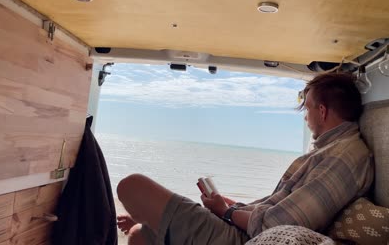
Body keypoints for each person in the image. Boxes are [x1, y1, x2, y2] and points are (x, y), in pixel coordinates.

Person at [116, 73, 374, 245]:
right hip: (245, 230)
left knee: (131, 187)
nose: (305, 117)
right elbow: (275, 209)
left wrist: (225, 211)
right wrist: (230, 207)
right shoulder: (329, 150)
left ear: (322, 111)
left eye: (306, 109)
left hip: (243, 240)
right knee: (140, 234)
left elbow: (276, 224)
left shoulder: (346, 158)